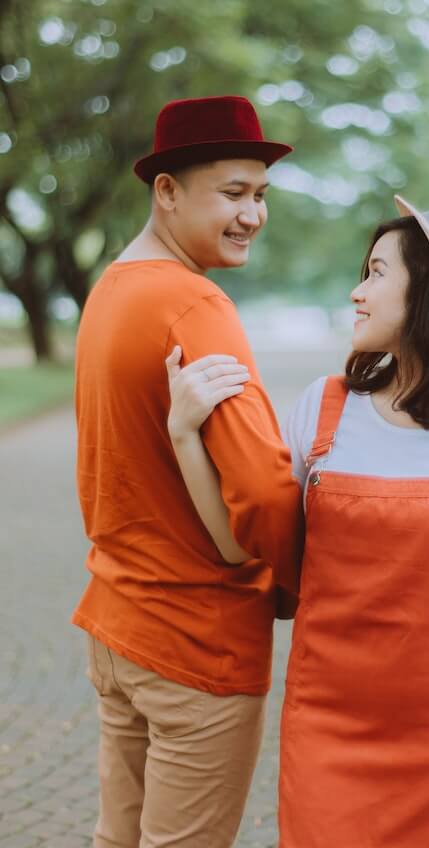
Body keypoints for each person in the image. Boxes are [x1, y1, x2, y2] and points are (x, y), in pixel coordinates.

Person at [166, 195, 429, 848]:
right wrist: (185, 435)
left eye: (377, 274)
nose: (357, 292)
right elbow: (241, 549)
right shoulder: (322, 411)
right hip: (329, 738)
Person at [72, 94, 303, 848]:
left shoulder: (111, 289)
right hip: (196, 642)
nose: (253, 214)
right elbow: (263, 488)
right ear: (167, 191)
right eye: (233, 192)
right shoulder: (194, 303)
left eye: (260, 194)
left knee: (118, 838)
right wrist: (298, 579)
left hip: (118, 624)